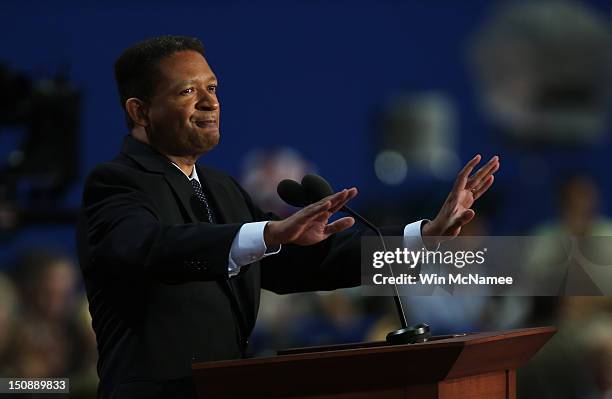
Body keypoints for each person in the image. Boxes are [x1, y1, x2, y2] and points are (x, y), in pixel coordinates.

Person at [76, 35, 499, 399]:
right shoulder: (116, 183)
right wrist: (268, 232)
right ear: (139, 111)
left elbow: (305, 261)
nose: (210, 102)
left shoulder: (220, 187)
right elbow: (152, 248)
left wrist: (423, 236)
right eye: (188, 91)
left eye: (213, 87)